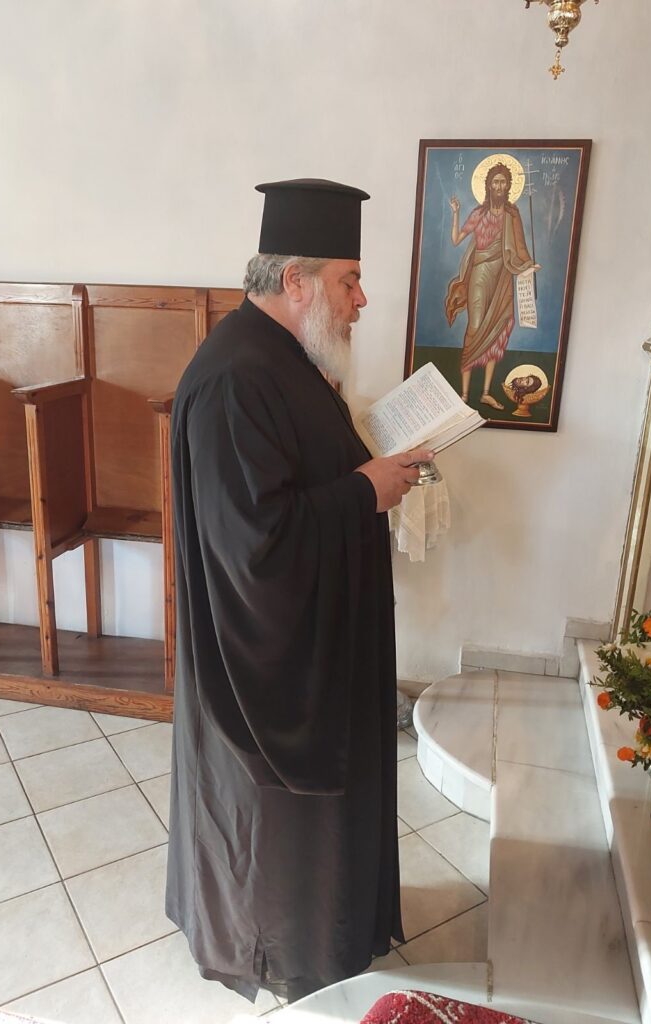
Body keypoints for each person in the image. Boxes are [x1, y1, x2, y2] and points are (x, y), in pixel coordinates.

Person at [165, 178, 432, 1003]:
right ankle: (279, 949)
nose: (362, 300)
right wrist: (364, 492)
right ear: (296, 282)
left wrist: (367, 473)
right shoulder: (237, 377)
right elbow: (254, 545)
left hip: (324, 640)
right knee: (275, 832)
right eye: (350, 280)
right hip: (267, 670)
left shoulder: (284, 358)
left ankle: (332, 930)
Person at [446, 162, 539, 410]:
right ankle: (464, 394)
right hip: (480, 274)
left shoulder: (512, 214)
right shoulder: (478, 214)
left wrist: (529, 265)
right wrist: (455, 213)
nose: (499, 186)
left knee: (497, 330)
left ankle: (485, 393)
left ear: (508, 186)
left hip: (503, 277)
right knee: (475, 327)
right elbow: (456, 240)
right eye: (495, 182)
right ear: (488, 185)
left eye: (503, 182)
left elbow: (519, 246)